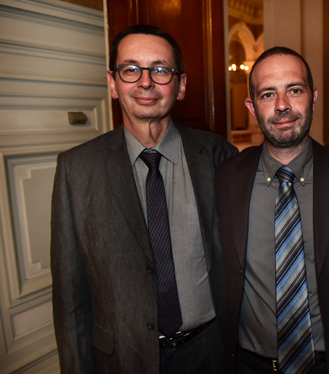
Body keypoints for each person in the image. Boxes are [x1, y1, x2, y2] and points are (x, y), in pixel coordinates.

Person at [50, 24, 237, 374]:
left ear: (181, 86)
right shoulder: (76, 169)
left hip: (210, 353)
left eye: (161, 70)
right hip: (122, 359)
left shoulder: (218, 156)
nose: (146, 82)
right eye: (131, 69)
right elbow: (69, 296)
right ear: (113, 83)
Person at [216, 46, 329, 374]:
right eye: (268, 94)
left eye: (294, 90)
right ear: (252, 107)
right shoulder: (226, 178)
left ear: (313, 96)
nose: (282, 105)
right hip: (248, 365)